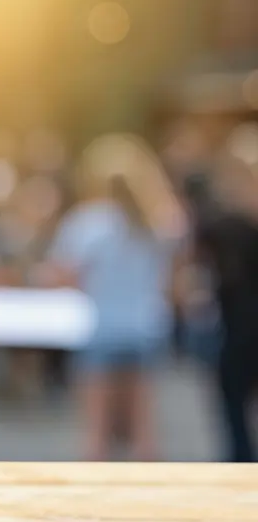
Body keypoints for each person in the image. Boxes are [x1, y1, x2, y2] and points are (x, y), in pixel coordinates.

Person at [44, 134, 184, 462]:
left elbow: (64, 275)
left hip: (100, 329)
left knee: (96, 432)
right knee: (144, 430)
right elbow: (171, 280)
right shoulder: (157, 220)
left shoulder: (87, 222)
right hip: (145, 328)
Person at [196, 150, 258, 462]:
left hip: (237, 331)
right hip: (236, 329)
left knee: (235, 419)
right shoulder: (226, 225)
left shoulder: (221, 225)